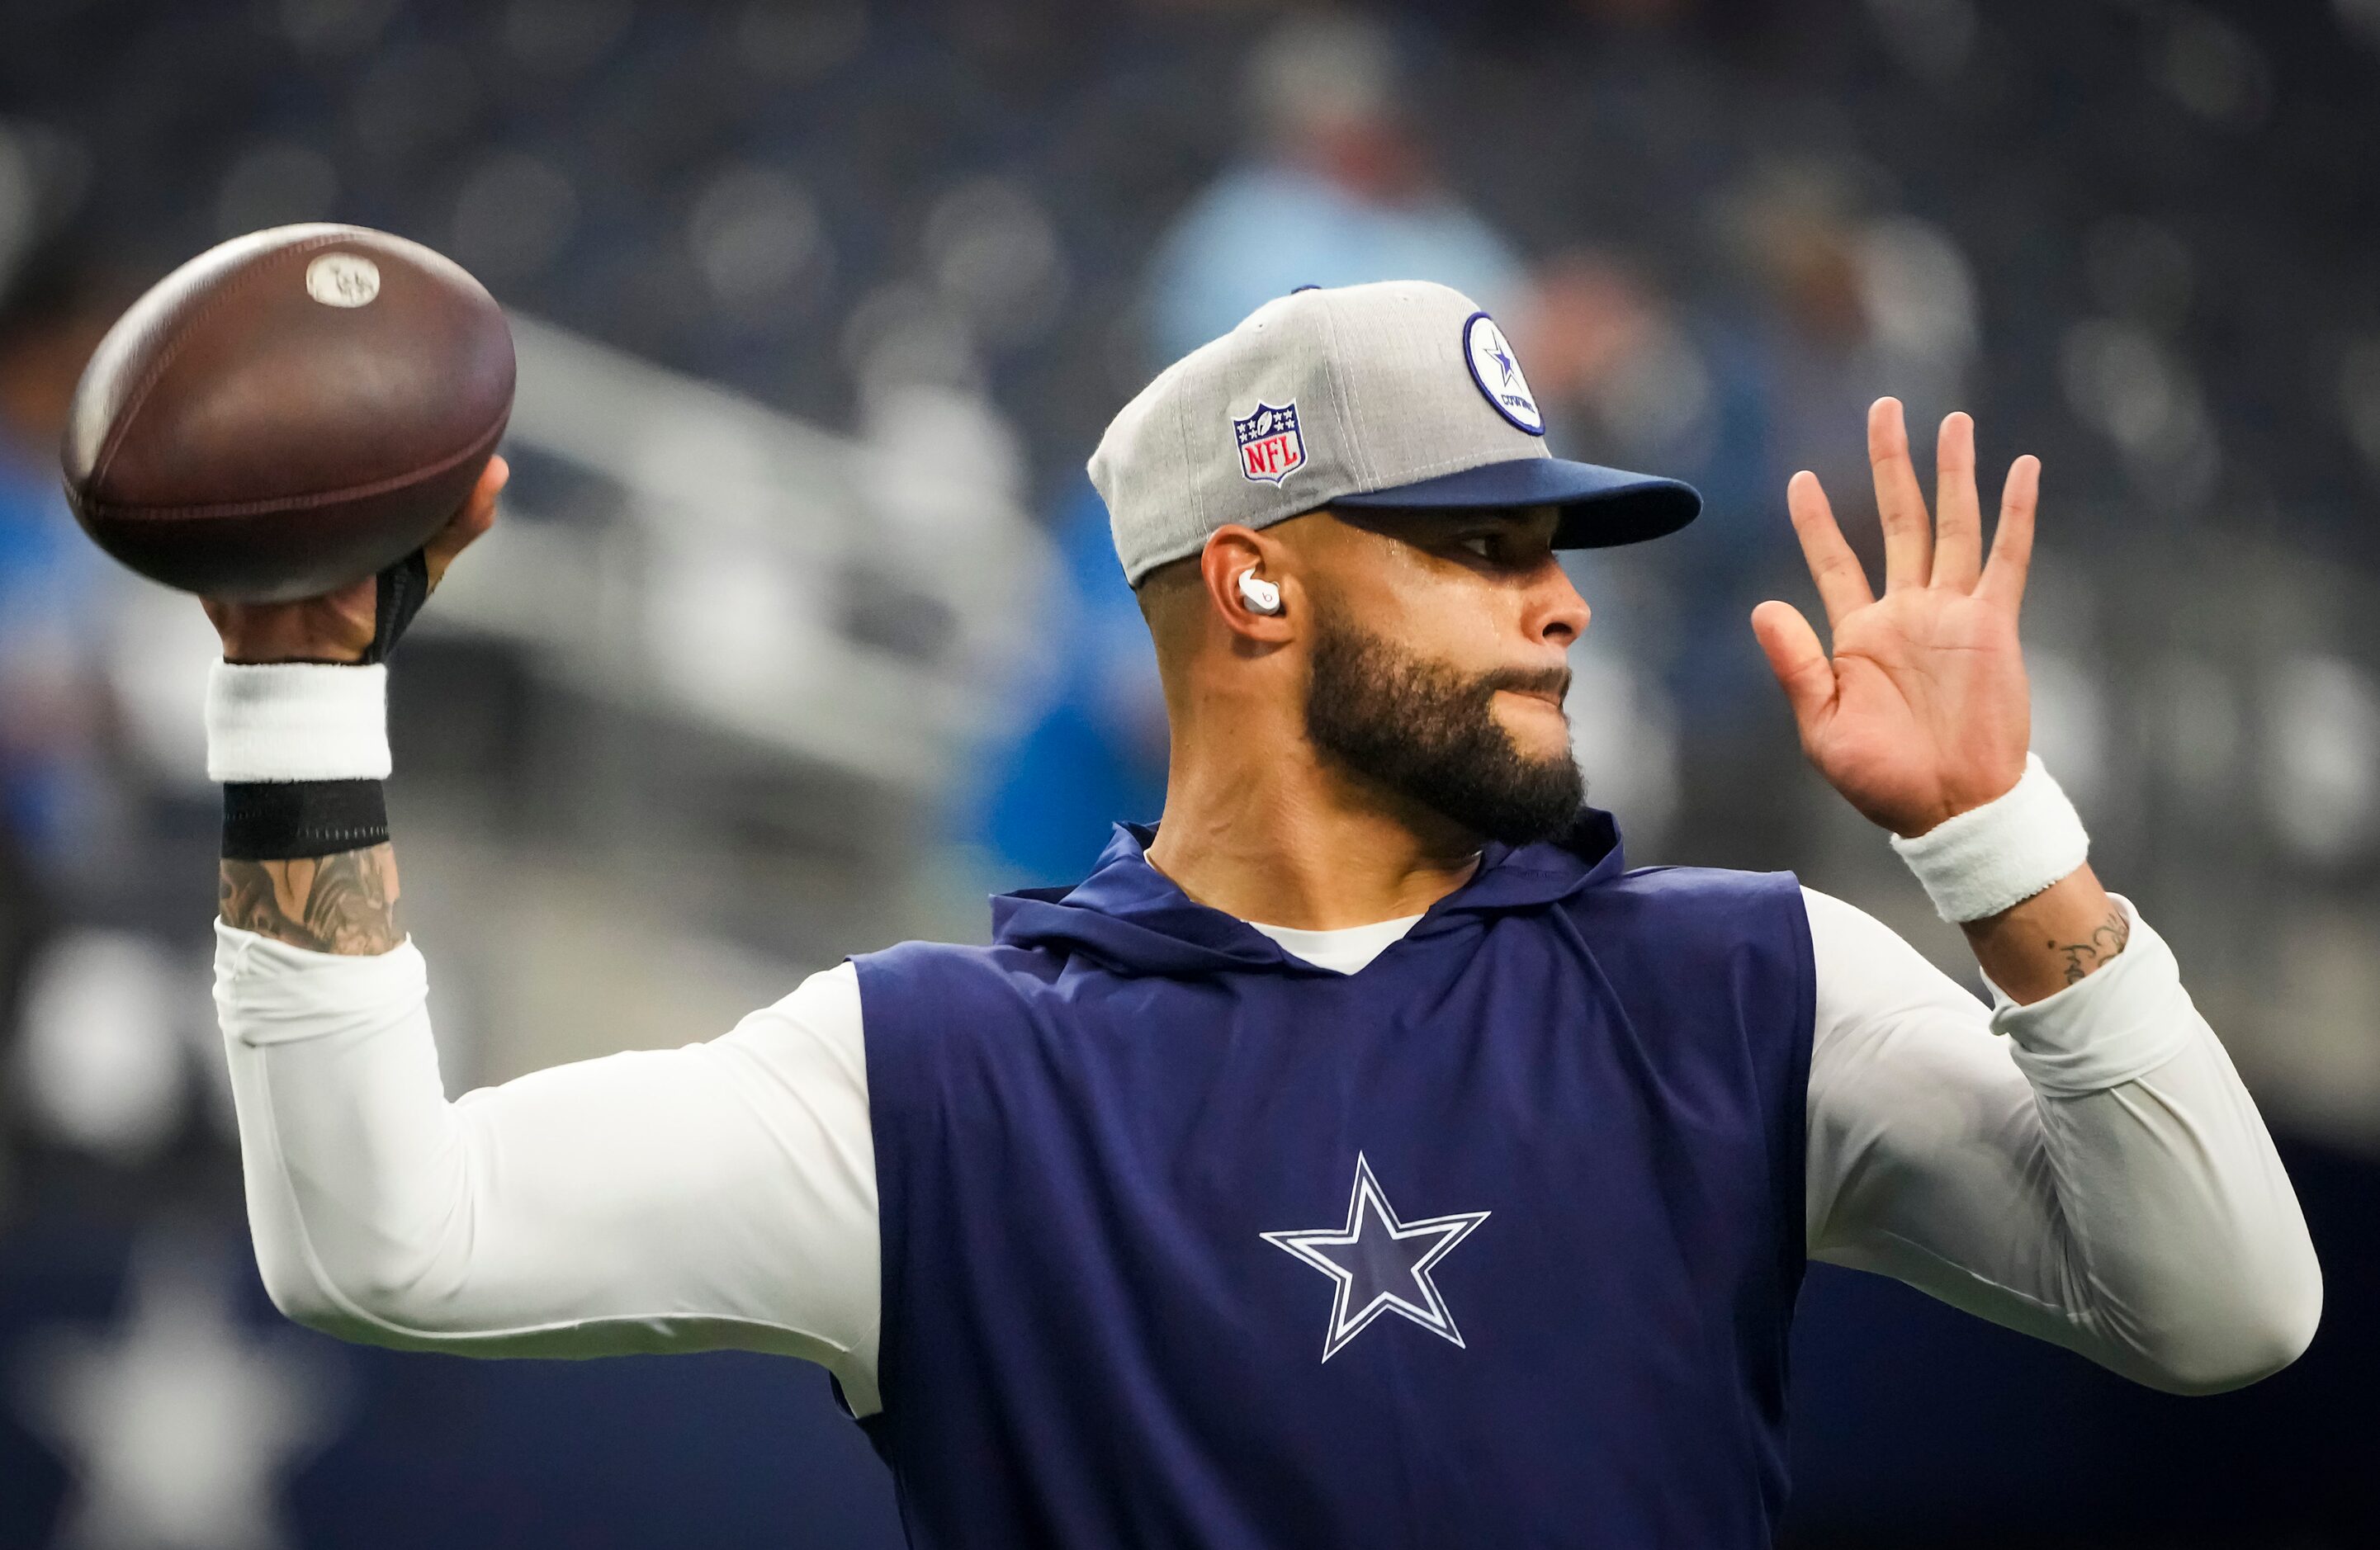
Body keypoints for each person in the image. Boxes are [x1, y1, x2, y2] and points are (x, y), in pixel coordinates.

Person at [206, 282, 2318, 1548]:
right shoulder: (930, 1079)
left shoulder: (1743, 984)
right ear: (1251, 580)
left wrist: (1997, 840)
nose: (1562, 600)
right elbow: (384, 1242)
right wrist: (298, 683)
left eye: (1554, 546)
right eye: (1481, 547)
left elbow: (2225, 1311)